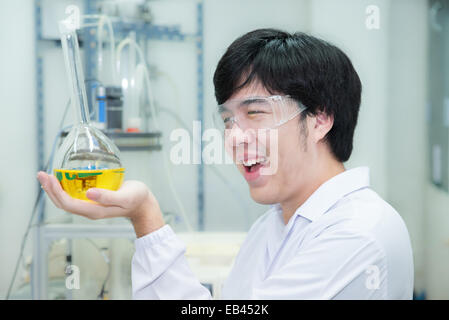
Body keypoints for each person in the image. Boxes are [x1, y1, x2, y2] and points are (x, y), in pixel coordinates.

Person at [37, 28, 414, 299]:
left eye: (255, 113)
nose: (233, 137)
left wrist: (148, 220)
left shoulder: (357, 234)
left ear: (319, 119)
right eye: (228, 120)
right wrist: (145, 216)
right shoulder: (273, 226)